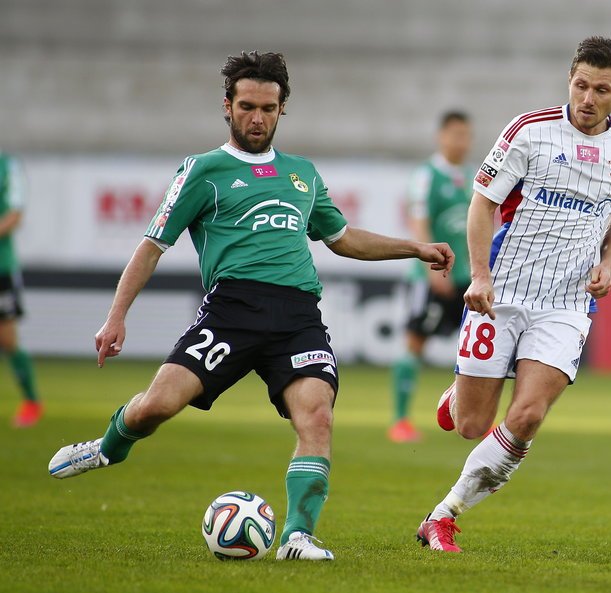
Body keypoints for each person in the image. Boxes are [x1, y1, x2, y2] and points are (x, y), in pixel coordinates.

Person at [46, 51, 454, 562]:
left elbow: (344, 239)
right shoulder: (203, 170)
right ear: (227, 106)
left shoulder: (302, 173)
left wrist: (414, 248)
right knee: (157, 406)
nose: (256, 117)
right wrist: (116, 316)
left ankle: (298, 537)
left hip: (298, 317)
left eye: (268, 107)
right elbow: (152, 244)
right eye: (246, 106)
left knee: (317, 419)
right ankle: (108, 446)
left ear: (283, 109)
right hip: (232, 311)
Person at [415, 37, 611, 552]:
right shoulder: (530, 132)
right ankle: (461, 395)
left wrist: (608, 265)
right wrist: (479, 275)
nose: (587, 98)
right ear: (570, 80)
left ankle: (444, 516)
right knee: (472, 425)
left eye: (601, 90)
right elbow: (483, 203)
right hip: (503, 292)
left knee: (527, 418)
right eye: (580, 85)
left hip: (566, 305)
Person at [389, 111, 473, 443]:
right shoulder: (427, 175)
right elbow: (419, 220)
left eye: (466, 135)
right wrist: (430, 269)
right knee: (415, 343)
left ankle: (472, 417)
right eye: (455, 134)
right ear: (441, 137)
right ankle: (400, 420)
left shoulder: (471, 176)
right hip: (431, 276)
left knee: (478, 347)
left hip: (467, 276)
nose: (461, 141)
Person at [0, 153, 42, 427]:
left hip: (2, 268)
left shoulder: (9, 166)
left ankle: (31, 401)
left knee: (7, 340)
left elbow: (15, 215)